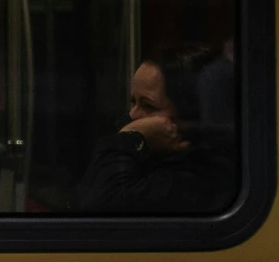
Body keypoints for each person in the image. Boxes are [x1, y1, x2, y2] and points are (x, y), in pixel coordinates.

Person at [76, 46, 238, 214]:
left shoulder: (198, 177)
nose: (133, 115)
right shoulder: (150, 152)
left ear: (189, 112)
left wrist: (129, 137)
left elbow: (100, 206)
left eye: (148, 105)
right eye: (133, 102)